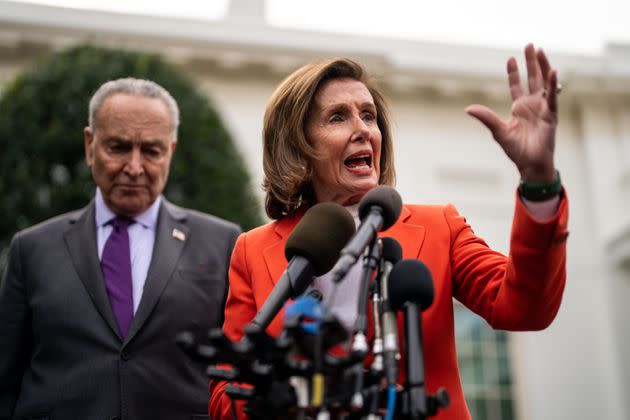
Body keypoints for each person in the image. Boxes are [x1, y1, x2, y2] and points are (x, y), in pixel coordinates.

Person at [209, 43, 569, 419]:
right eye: (337, 118)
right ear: (298, 146)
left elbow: (525, 307)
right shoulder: (253, 249)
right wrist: (289, 390)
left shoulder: (438, 226)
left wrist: (538, 181)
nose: (363, 130)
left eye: (369, 115)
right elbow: (226, 395)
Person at [0, 78, 241, 420]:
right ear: (89, 145)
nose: (134, 167)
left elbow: (236, 374)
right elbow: (6, 379)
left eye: (151, 151)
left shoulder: (223, 243)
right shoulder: (32, 249)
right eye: (118, 147)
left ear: (170, 151)